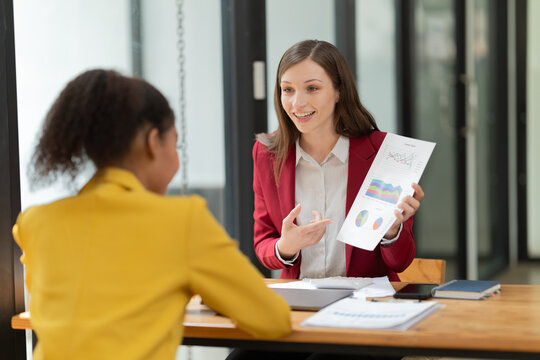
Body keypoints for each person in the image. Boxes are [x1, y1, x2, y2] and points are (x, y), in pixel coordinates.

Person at [12, 69, 291, 360]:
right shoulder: (182, 220)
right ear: (152, 141)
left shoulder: (35, 223)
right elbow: (272, 320)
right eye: (176, 143)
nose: (177, 159)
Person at [253, 39, 424, 281]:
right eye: (288, 89)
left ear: (338, 91)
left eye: (312, 88)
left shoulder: (384, 151)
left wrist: (392, 229)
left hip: (368, 305)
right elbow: (262, 244)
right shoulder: (266, 154)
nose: (297, 103)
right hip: (300, 304)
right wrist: (285, 247)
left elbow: (400, 261)